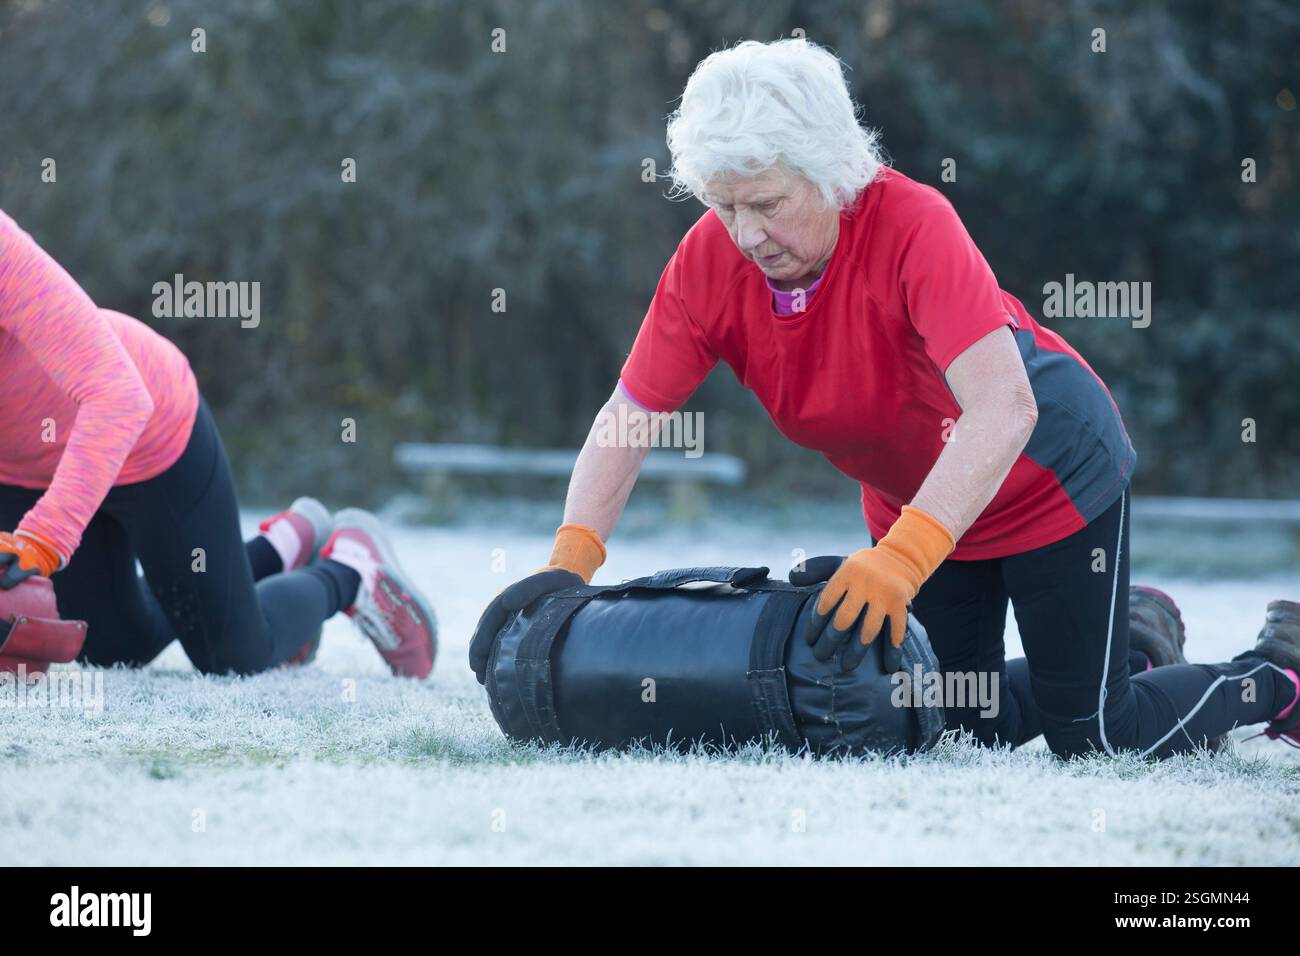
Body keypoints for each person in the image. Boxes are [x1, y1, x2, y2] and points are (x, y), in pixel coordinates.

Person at [470, 38, 1299, 757]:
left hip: (1049, 479)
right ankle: (1139, 646)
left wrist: (902, 561)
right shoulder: (707, 263)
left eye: (767, 203)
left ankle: (1278, 673)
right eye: (725, 207)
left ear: (831, 174)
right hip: (922, 505)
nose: (748, 233)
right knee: (943, 718)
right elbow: (632, 418)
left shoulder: (912, 223)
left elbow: (1007, 409)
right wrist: (571, 562)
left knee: (1096, 734)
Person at [0, 207, 436, 678]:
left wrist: (44, 538)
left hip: (148, 436)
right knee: (107, 648)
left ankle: (351, 572)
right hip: (23, 466)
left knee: (231, 656)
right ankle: (281, 546)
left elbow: (118, 398)